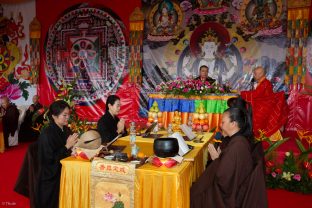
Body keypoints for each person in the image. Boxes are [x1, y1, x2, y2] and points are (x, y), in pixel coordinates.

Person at [191, 105, 268, 207]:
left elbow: (223, 179)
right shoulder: (238, 140)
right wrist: (220, 158)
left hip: (229, 196)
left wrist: (216, 159)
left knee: (196, 194)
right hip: (234, 187)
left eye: (223, 122)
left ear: (233, 124)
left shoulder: (237, 146)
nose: (221, 125)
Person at [36, 100, 78, 208]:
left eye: (68, 114)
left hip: (64, 170)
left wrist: (74, 148)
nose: (67, 117)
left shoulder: (66, 129)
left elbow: (68, 149)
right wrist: (67, 147)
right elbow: (49, 160)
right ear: (54, 116)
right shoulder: (47, 134)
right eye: (64, 115)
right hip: (51, 177)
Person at [240, 66, 288, 140]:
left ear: (261, 74)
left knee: (255, 113)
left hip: (266, 106)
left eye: (255, 74)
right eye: (254, 73)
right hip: (263, 104)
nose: (254, 75)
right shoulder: (262, 82)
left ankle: (260, 134)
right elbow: (258, 95)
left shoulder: (265, 83)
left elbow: (256, 94)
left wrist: (242, 93)